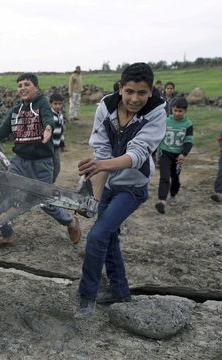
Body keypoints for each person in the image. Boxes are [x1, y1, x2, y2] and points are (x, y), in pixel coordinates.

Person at [74, 63, 166, 319]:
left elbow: (137, 154)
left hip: (132, 188)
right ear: (120, 88)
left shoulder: (157, 112)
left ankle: (87, 294)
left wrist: (101, 164)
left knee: (97, 236)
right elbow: (101, 149)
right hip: (109, 183)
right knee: (109, 237)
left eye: (142, 92)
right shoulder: (106, 106)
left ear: (151, 92)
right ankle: (120, 291)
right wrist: (95, 197)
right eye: (129, 91)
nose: (135, 98)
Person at [0, 73, 82, 250]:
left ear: (36, 87)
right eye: (19, 85)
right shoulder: (16, 111)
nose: (22, 88)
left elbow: (48, 117)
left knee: (45, 202)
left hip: (41, 164)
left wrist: (48, 127)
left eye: (27, 84)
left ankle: (70, 221)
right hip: (19, 162)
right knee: (2, 197)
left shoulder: (42, 104)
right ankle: (7, 236)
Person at [155, 97, 194, 214]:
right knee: (164, 177)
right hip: (165, 153)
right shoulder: (165, 121)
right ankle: (161, 200)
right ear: (171, 109)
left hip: (178, 156)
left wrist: (184, 153)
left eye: (180, 111)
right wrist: (155, 153)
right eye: (175, 110)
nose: (177, 113)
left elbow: (189, 141)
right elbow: (158, 137)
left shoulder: (188, 124)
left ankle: (173, 194)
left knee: (175, 177)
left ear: (185, 111)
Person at [49, 92, 66, 183]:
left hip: (57, 146)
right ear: (51, 104)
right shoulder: (50, 116)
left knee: (57, 166)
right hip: (50, 146)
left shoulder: (60, 115)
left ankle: (51, 182)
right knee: (51, 166)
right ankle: (49, 183)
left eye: (59, 104)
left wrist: (62, 144)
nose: (58, 106)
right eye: (55, 104)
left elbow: (62, 131)